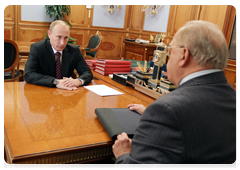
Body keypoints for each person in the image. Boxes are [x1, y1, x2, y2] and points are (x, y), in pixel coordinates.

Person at [112, 20, 238, 168]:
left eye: (170, 52)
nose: (168, 58)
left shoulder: (167, 111)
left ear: (183, 55)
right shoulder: (234, 99)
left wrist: (123, 154)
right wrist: (156, 118)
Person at [24, 20, 93, 90]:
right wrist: (55, 82)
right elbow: (29, 74)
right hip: (43, 90)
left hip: (67, 93)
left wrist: (78, 81)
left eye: (66, 38)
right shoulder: (38, 49)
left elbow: (87, 73)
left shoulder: (74, 51)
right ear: (49, 34)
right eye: (58, 37)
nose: (62, 43)